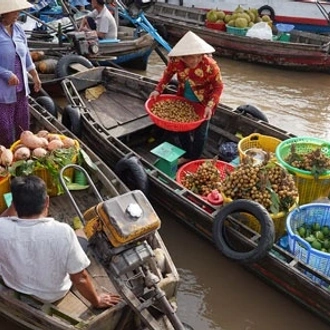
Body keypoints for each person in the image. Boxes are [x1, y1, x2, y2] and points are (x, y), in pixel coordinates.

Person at [0, 175, 121, 308]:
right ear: (47, 201)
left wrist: (16, 202)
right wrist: (96, 301)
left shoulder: (2, 227)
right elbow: (80, 279)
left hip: (15, 285)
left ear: (15, 204)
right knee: (81, 234)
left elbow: (4, 218)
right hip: (51, 295)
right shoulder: (63, 232)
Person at [149, 31, 224, 165]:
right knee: (181, 128)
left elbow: (218, 87)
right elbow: (167, 75)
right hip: (184, 98)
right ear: (183, 57)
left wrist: (210, 106)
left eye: (198, 56)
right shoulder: (176, 61)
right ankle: (187, 153)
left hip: (205, 102)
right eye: (191, 57)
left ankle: (194, 158)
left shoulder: (210, 66)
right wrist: (157, 90)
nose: (196, 60)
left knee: (200, 133)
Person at [0, 0, 42, 148]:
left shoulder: (19, 29)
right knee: (5, 127)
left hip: (21, 87)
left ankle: (22, 151)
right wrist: (6, 74)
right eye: (15, 11)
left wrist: (35, 75)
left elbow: (27, 56)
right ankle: (6, 154)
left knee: (23, 123)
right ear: (4, 13)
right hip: (3, 88)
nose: (18, 14)